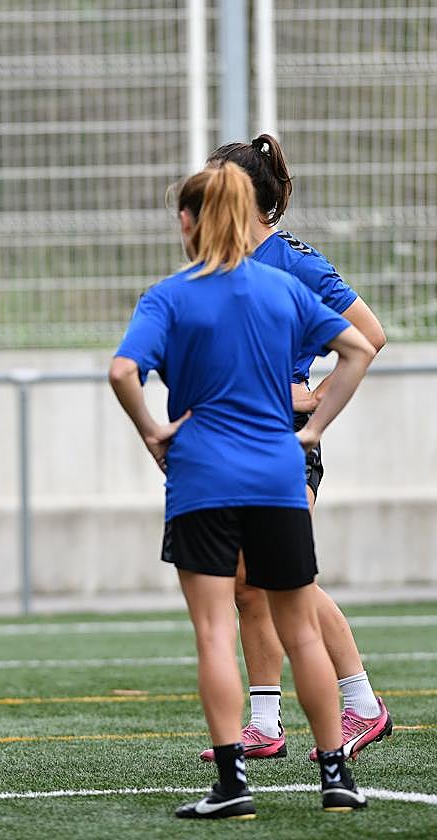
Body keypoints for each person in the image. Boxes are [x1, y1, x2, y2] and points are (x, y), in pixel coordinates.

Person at [110, 163, 375, 818]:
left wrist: (153, 430)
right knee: (302, 630)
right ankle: (336, 776)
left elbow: (122, 370)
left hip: (202, 478)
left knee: (211, 633)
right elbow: (359, 348)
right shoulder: (283, 288)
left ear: (189, 221)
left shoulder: (169, 295)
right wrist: (310, 431)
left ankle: (233, 786)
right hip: (279, 476)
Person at [195, 135, 390, 764]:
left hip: (285, 442)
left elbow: (370, 335)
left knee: (285, 579)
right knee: (248, 586)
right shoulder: (220, 264)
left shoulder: (295, 262)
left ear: (247, 197)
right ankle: (265, 724)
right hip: (235, 439)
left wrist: (315, 405)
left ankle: (362, 706)